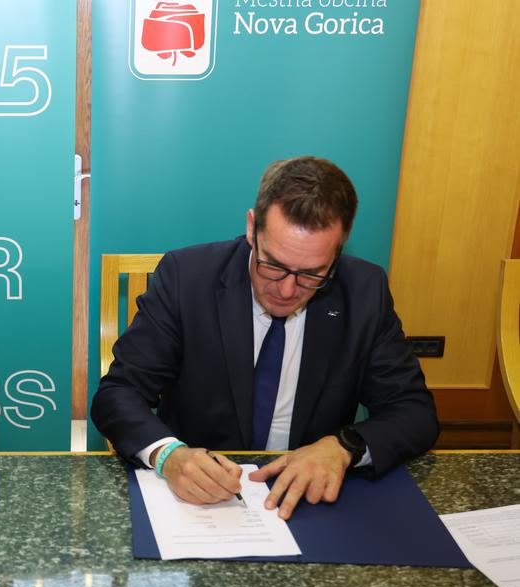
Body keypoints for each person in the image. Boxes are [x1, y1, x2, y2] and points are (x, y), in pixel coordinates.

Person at [91, 156, 437, 520]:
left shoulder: (364, 292)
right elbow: (119, 393)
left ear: (339, 250)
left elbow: (414, 411)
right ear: (252, 228)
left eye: (312, 274)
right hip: (198, 503)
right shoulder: (187, 278)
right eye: (272, 265)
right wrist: (169, 456)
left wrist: (344, 447)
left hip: (310, 503)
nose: (286, 290)